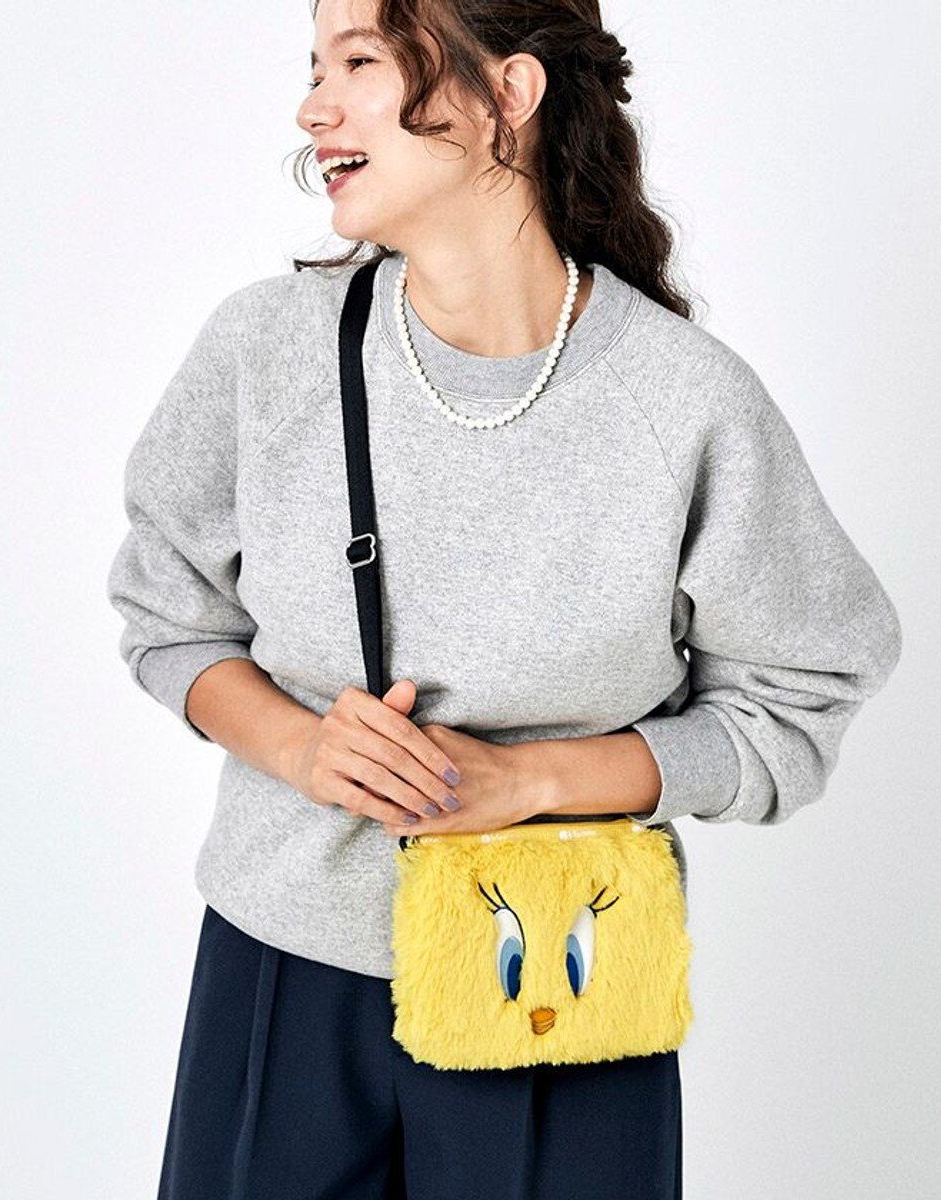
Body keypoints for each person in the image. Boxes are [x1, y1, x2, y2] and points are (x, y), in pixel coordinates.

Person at [105, 1, 903, 1196]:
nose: (313, 107)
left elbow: (801, 697)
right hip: (283, 965)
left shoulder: (682, 400)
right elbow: (168, 613)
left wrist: (531, 782)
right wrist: (298, 746)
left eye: (360, 62)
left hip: (564, 981)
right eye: (314, 67)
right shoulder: (266, 349)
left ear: (507, 95)